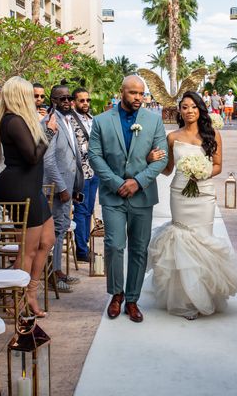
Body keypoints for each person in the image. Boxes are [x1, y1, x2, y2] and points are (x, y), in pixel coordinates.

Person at [146, 91, 237, 320]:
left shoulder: (213, 135)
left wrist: (202, 172)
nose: (189, 111)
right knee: (182, 240)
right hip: (180, 193)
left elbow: (218, 165)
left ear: (200, 109)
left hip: (204, 194)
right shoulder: (172, 137)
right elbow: (168, 169)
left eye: (193, 107)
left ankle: (204, 296)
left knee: (202, 240)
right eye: (184, 107)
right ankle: (186, 300)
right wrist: (152, 161)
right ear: (179, 111)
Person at [88, 75, 168, 323]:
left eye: (141, 94)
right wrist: (116, 183)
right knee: (114, 245)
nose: (138, 98)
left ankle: (133, 299)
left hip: (142, 194)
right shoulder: (101, 121)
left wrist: (138, 181)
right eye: (133, 93)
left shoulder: (154, 121)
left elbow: (162, 158)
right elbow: (95, 156)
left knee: (139, 249)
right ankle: (116, 294)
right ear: (121, 92)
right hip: (113, 195)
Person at [0, 77, 54, 317]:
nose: (33, 98)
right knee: (27, 250)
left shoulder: (19, 120)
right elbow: (32, 156)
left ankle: (30, 292)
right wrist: (48, 131)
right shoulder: (13, 120)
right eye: (29, 94)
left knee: (47, 240)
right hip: (19, 188)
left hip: (31, 187)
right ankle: (18, 298)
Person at [44, 84, 83, 292]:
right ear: (54, 101)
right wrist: (61, 188)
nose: (67, 102)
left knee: (61, 228)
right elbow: (48, 161)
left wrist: (75, 186)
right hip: (55, 188)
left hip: (68, 185)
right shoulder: (50, 122)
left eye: (69, 98)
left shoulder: (69, 120)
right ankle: (53, 274)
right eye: (62, 99)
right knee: (56, 229)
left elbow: (73, 157)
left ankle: (57, 270)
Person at [70, 88, 100, 263]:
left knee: (89, 209)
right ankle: (81, 249)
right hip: (79, 173)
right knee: (80, 210)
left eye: (87, 100)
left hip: (94, 171)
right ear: (74, 102)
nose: (86, 103)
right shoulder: (70, 120)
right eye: (82, 100)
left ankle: (85, 244)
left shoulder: (92, 119)